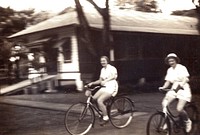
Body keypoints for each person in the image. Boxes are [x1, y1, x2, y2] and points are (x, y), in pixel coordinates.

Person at [159, 53, 192, 133]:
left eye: (172, 60)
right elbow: (168, 81)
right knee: (164, 104)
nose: (171, 62)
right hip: (174, 88)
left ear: (176, 60)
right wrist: (163, 87)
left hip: (183, 88)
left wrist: (181, 84)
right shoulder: (169, 70)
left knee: (179, 109)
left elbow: (186, 78)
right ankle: (167, 121)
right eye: (169, 61)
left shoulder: (182, 68)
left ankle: (187, 121)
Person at [88, 56, 118, 125]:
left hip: (111, 87)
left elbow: (113, 76)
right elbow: (100, 80)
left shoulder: (112, 68)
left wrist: (106, 80)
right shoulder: (102, 70)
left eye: (104, 61)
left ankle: (106, 117)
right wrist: (92, 83)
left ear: (107, 61)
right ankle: (102, 111)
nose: (102, 62)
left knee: (100, 100)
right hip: (105, 87)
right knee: (93, 98)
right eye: (101, 61)